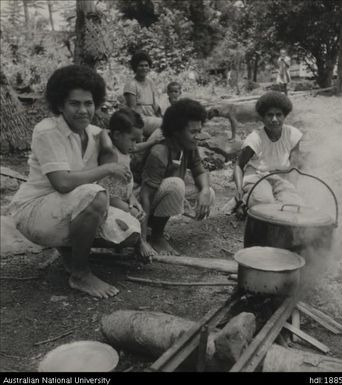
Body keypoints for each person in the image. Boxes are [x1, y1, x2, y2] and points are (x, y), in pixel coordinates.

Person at [10, 64, 142, 299]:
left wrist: (107, 146)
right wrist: (107, 167)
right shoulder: (47, 130)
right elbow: (62, 183)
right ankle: (80, 274)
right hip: (34, 211)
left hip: (62, 206)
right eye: (75, 103)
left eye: (88, 103)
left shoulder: (94, 133)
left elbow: (113, 171)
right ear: (60, 105)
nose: (83, 110)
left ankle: (68, 252)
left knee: (130, 229)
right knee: (94, 196)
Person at [140, 98, 215, 255]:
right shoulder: (160, 151)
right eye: (193, 132)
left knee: (207, 191)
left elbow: (199, 170)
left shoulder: (188, 145)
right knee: (176, 185)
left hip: (157, 195)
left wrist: (206, 190)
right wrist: (142, 240)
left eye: (199, 131)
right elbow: (145, 196)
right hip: (138, 202)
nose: (198, 136)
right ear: (176, 131)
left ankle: (154, 228)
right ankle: (155, 236)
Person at [233, 91, 303, 219]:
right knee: (264, 202)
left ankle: (272, 204)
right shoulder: (255, 138)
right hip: (256, 176)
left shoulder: (293, 135)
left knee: (295, 205)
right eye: (270, 115)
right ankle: (244, 201)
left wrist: (292, 189)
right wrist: (238, 189)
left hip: (280, 178)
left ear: (285, 116)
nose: (274, 119)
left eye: (278, 115)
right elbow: (238, 165)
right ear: (262, 117)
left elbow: (294, 167)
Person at [98, 108, 157, 258]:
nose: (135, 145)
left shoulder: (125, 148)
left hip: (125, 194)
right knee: (137, 215)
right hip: (110, 199)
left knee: (141, 210)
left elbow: (136, 148)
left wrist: (153, 142)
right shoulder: (110, 153)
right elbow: (103, 138)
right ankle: (140, 243)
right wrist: (105, 131)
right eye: (133, 139)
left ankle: (140, 241)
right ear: (116, 135)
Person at [123, 50, 162, 139]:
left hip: (152, 117)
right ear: (135, 67)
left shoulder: (150, 82)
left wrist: (162, 115)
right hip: (141, 120)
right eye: (141, 65)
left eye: (146, 65)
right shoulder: (131, 85)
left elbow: (155, 105)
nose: (144, 68)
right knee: (166, 125)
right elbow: (132, 111)